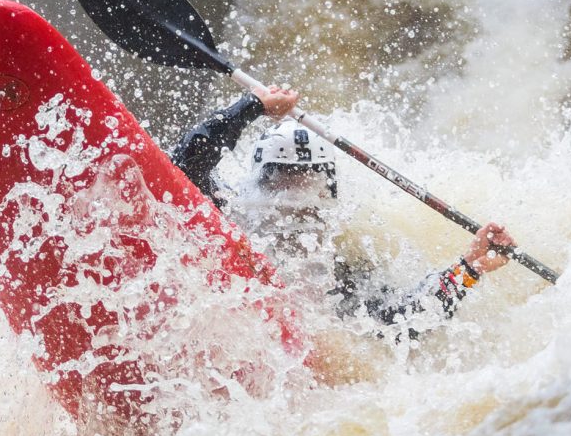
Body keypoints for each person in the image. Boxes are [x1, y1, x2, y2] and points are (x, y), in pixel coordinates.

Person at [171, 86, 516, 338]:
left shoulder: (339, 264)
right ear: (261, 179)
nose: (297, 199)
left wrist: (468, 268)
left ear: (329, 187)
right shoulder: (226, 213)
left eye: (308, 181)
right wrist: (251, 106)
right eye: (283, 179)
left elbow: (399, 321)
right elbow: (182, 166)